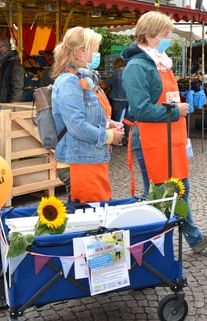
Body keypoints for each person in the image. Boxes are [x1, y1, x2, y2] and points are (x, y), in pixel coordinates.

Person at [121, 11, 207, 254]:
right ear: (148, 36)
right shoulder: (137, 67)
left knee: (178, 191)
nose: (169, 38)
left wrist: (177, 107)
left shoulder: (160, 61)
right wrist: (176, 111)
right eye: (165, 34)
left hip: (170, 139)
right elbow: (141, 109)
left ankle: (194, 238)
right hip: (151, 140)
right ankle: (148, 248)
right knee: (158, 196)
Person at [50, 27, 125, 203]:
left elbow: (87, 117)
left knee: (91, 215)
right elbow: (76, 126)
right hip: (79, 162)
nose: (97, 54)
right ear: (80, 52)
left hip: (87, 158)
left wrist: (108, 123)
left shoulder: (80, 78)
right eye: (95, 49)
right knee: (90, 218)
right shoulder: (69, 82)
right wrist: (108, 136)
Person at [0, 36, 24, 103]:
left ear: (4, 47)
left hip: (6, 105)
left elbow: (17, 89)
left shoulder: (14, 64)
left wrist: (12, 106)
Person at [105, 57, 129, 145]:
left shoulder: (116, 73)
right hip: (128, 99)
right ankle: (127, 139)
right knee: (127, 120)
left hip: (117, 99)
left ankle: (118, 139)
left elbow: (106, 83)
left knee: (117, 121)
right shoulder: (129, 72)